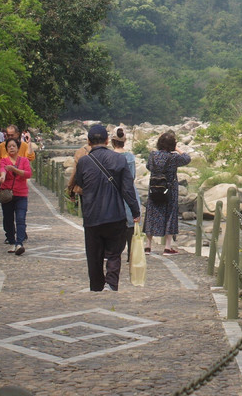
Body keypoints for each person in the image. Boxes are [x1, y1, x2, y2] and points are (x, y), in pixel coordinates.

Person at [74, 124, 142, 291]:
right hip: (115, 214)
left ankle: (96, 285)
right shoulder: (120, 159)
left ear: (88, 141)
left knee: (94, 254)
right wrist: (135, 212)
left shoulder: (83, 162)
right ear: (106, 140)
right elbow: (127, 189)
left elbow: (81, 184)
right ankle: (111, 283)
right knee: (114, 252)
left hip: (92, 215)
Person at [143, 130, 191, 255]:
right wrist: (178, 149)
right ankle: (167, 247)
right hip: (169, 189)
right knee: (170, 215)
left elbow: (148, 167)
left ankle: (148, 246)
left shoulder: (153, 155)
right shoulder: (173, 157)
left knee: (152, 214)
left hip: (154, 188)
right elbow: (187, 158)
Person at [0, 137, 32, 255]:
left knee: (21, 218)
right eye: (9, 146)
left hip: (21, 194)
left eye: (13, 146)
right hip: (7, 194)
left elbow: (28, 174)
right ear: (6, 149)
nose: (11, 148)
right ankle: (11, 241)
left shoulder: (24, 161)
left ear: (18, 148)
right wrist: (2, 176)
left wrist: (14, 169)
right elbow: (2, 169)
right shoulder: (4, 161)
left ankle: (19, 243)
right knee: (8, 219)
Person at [110, 126, 138, 261]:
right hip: (129, 193)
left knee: (114, 226)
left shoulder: (109, 157)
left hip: (113, 194)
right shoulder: (130, 157)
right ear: (125, 140)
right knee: (130, 225)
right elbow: (132, 176)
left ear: (111, 141)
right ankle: (131, 255)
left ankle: (114, 253)